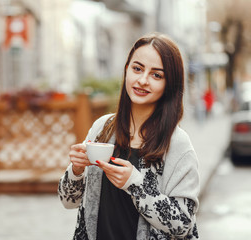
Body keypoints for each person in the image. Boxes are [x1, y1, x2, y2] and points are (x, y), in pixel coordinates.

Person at [58, 32, 200, 240]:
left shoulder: (177, 143)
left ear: (169, 84)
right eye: (137, 69)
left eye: (156, 75)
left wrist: (134, 183)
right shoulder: (103, 128)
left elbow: (183, 224)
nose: (142, 80)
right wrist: (77, 170)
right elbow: (68, 201)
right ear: (126, 70)